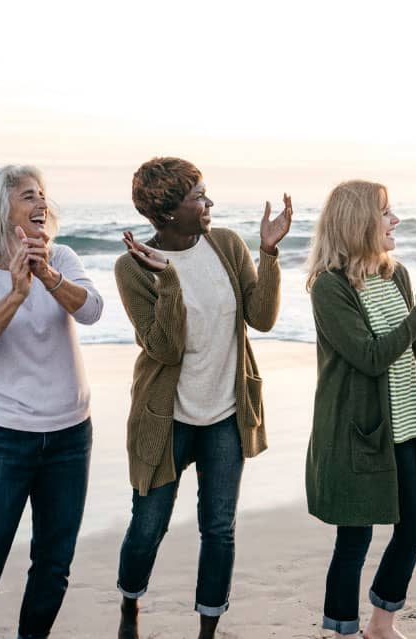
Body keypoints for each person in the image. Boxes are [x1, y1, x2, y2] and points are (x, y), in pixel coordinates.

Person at [114, 157, 291, 639]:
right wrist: (169, 282)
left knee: (219, 529)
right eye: (198, 196)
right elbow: (165, 348)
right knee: (148, 527)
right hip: (164, 417)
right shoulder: (132, 267)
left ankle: (208, 632)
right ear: (168, 211)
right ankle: (130, 604)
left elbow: (262, 317)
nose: (208, 203)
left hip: (226, 413)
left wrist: (269, 253)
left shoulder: (227, 244)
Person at [0, 164, 103, 639]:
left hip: (71, 434)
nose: (42, 204)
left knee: (53, 566)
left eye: (44, 195)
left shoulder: (63, 257)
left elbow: (92, 310)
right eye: (29, 195)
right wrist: (15, 294)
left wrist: (48, 275)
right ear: (0, 207)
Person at [303, 180, 416, 638]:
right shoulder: (329, 287)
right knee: (353, 540)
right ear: (358, 224)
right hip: (357, 430)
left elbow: (406, 352)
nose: (395, 220)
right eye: (386, 213)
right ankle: (341, 629)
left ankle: (380, 624)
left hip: (405, 424)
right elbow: (369, 357)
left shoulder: (395, 274)